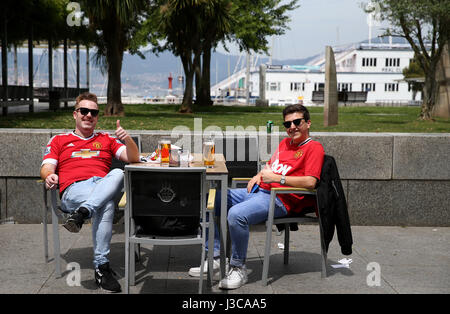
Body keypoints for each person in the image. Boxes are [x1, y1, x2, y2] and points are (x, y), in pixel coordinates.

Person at [188, 104, 325, 290]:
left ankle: (238, 267)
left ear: (308, 123)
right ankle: (215, 257)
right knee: (208, 200)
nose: (292, 127)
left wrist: (276, 179)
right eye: (287, 124)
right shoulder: (285, 144)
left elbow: (310, 182)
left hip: (280, 199)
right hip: (259, 191)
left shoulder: (314, 148)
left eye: (297, 122)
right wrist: (259, 175)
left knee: (236, 215)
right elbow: (270, 166)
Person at [40, 92, 140, 293]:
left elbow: (133, 157)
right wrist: (49, 175)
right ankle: (101, 268)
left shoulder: (106, 139)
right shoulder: (59, 140)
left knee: (118, 173)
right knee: (107, 202)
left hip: (100, 187)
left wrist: (127, 139)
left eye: (93, 112)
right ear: (75, 114)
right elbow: (47, 166)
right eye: (84, 111)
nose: (88, 115)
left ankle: (84, 213)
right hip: (74, 190)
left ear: (97, 117)